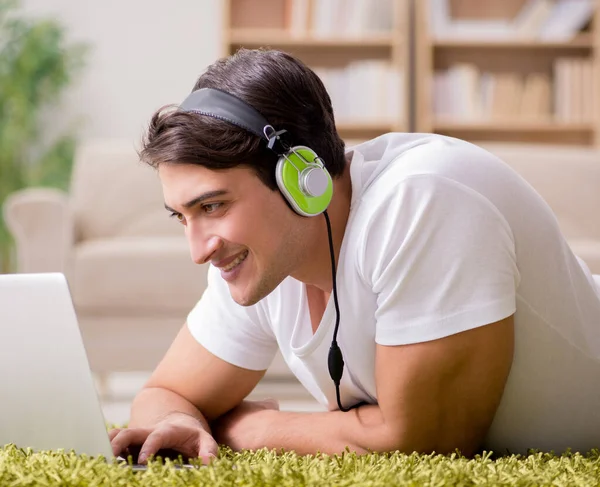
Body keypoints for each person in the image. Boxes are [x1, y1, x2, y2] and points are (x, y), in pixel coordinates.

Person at [109, 48, 600, 464]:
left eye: (212, 205)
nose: (198, 251)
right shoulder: (254, 260)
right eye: (182, 216)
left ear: (302, 179)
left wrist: (249, 429)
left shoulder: (424, 197)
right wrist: (181, 422)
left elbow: (422, 447)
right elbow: (164, 394)